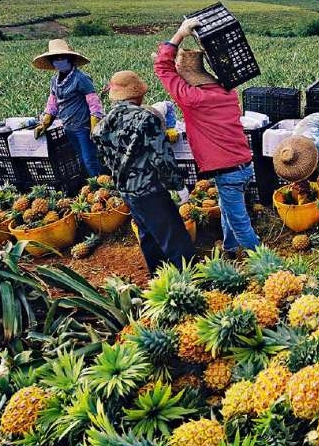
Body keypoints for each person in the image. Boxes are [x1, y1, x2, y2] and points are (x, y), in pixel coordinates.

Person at [155, 21, 261, 256]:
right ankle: (230, 248)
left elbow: (162, 68)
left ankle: (266, 262)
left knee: (241, 223)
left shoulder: (193, 100)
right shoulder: (228, 93)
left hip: (228, 172)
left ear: (190, 80)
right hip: (244, 166)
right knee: (228, 210)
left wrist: (181, 33)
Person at [93, 70, 196, 272]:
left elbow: (106, 160)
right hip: (150, 190)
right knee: (174, 237)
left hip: (127, 191)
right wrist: (178, 186)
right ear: (136, 94)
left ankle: (158, 276)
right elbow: (161, 157)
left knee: (147, 234)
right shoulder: (145, 118)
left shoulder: (103, 124)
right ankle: (190, 280)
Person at [32, 39, 104, 178]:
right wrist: (45, 123)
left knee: (89, 159)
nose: (59, 61)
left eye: (62, 58)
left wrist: (94, 126)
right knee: (81, 158)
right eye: (55, 59)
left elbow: (94, 104)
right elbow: (52, 103)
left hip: (83, 127)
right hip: (68, 127)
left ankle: (101, 186)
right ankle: (91, 184)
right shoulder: (55, 81)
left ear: (69, 59)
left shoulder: (81, 78)